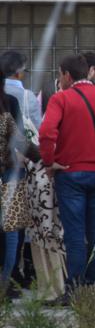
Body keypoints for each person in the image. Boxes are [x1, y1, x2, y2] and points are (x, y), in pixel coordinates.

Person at [38, 53, 95, 302]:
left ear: (67, 75)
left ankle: (75, 289)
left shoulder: (61, 98)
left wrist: (49, 162)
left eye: (60, 75)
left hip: (70, 173)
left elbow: (46, 133)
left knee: (74, 233)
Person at [0, 88, 38, 299]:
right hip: (8, 173)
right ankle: (6, 282)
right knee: (12, 229)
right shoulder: (5, 115)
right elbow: (21, 142)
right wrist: (45, 160)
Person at [1, 50, 42, 131]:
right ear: (18, 73)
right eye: (24, 70)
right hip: (19, 138)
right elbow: (38, 127)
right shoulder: (28, 96)